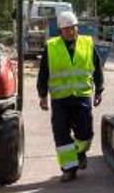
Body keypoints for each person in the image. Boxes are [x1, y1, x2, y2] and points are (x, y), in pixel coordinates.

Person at [38, 11, 104, 181]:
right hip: (60, 99)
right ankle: (69, 169)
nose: (69, 31)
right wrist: (42, 95)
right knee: (61, 133)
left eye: (72, 28)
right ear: (60, 30)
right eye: (65, 29)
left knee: (85, 133)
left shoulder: (87, 44)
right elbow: (43, 73)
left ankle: (80, 152)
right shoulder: (51, 47)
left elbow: (97, 68)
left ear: (77, 28)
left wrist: (99, 90)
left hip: (82, 97)